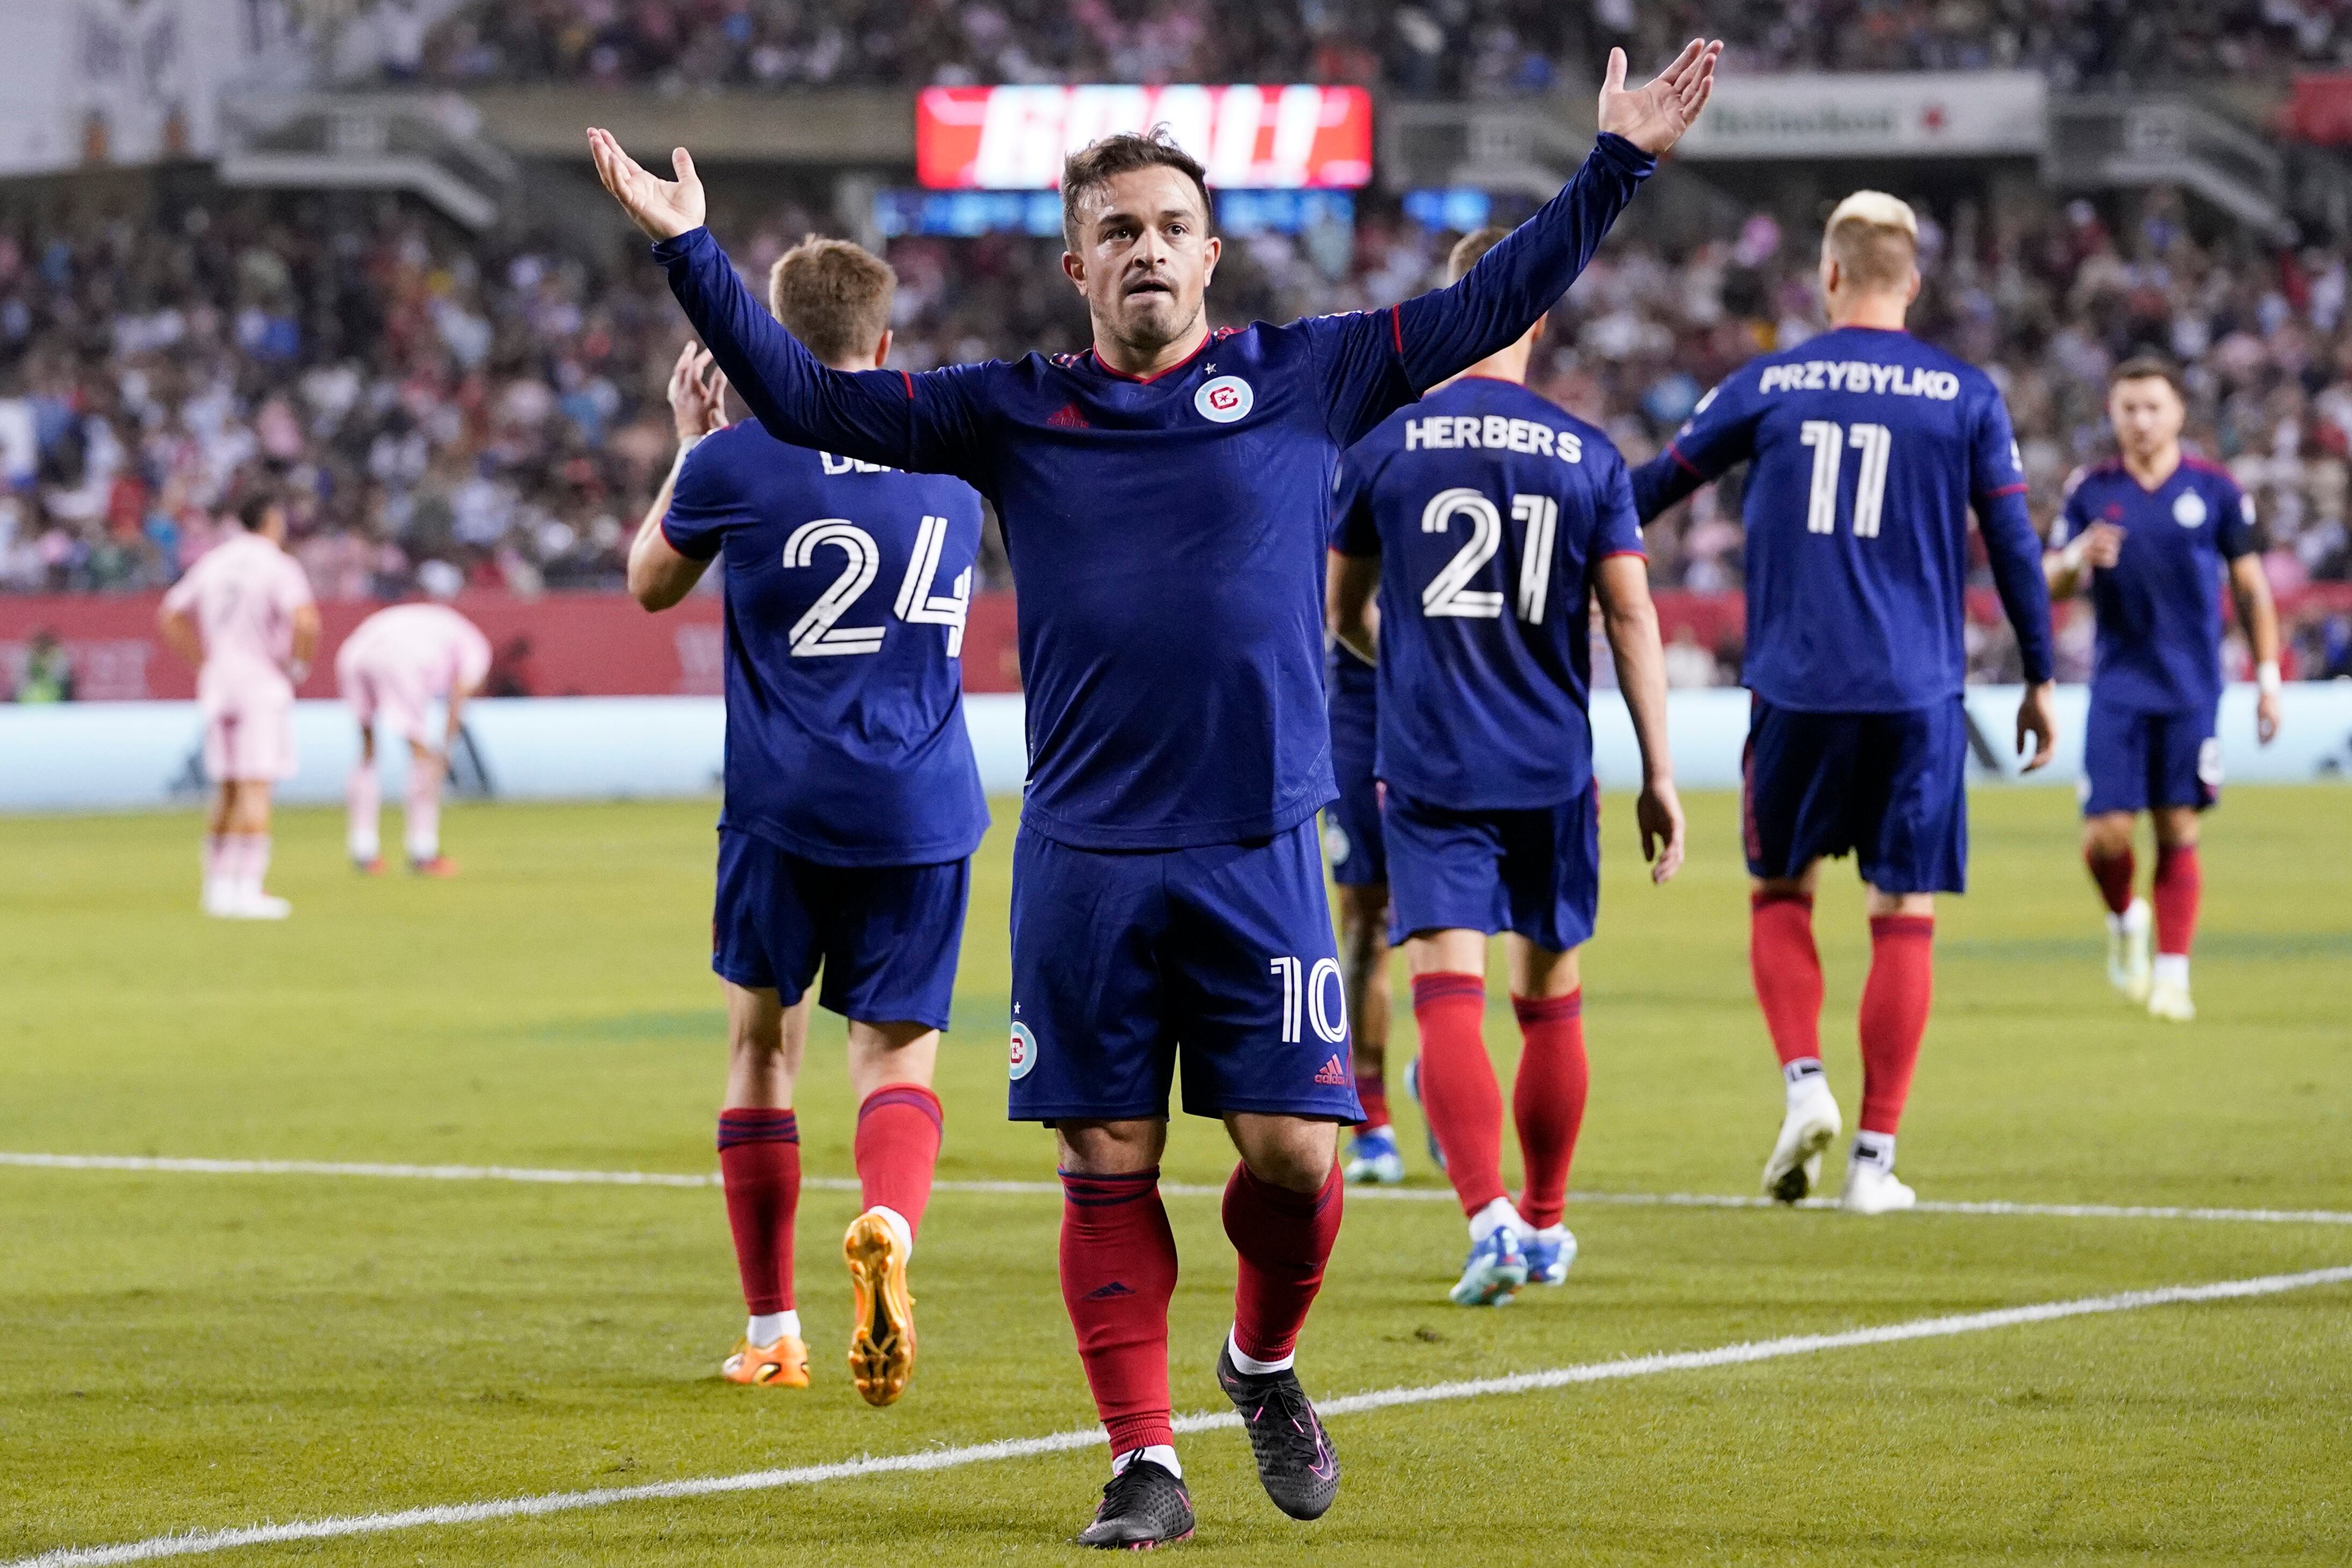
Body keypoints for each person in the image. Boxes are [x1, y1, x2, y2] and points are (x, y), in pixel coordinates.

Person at [588, 38, 1718, 1546]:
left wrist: (1616, 163)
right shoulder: (1007, 408)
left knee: (1295, 1155)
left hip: (1258, 843)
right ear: (1076, 264)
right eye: (1117, 229)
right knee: (1103, 1156)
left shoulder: (1308, 374)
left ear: (1211, 254)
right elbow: (800, 394)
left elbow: (1490, 299)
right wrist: (690, 250)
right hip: (1085, 853)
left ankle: (1259, 1361)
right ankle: (1140, 1458)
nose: (1146, 249)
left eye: (1172, 226)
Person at [1630, 190, 2057, 1216]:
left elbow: (1647, 490)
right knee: (1901, 910)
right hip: (1917, 691)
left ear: (1827, 275)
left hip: (1796, 684)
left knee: (1780, 892)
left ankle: (1802, 1083)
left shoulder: (1769, 382)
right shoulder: (1963, 394)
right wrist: (2040, 674)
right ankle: (1872, 1161)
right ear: (1912, 282)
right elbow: (2012, 545)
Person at [625, 239, 988, 1411]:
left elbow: (648, 583)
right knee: (894, 1056)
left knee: (761, 1051)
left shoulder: (738, 458)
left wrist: (691, 447)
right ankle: (888, 1225)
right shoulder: (951, 461)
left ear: (774, 344)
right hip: (922, 805)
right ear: (884, 341)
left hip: (782, 805)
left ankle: (773, 1330)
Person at [1328, 226, 1685, 1306]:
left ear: (1452, 313)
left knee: (1446, 984)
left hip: (1431, 758)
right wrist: (1658, 772)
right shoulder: (1588, 455)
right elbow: (1631, 618)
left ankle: (1484, 1216)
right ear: (1537, 318)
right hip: (1549, 762)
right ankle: (1544, 1218)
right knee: (1549, 993)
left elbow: (1340, 611)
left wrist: (1412, 662)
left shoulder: (1384, 444)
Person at [2046, 357, 2282, 1023]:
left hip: (2191, 686)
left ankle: (2174, 975)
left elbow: (2252, 589)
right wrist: (2076, 557)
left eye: (2154, 407)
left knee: (2178, 822)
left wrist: (2268, 680)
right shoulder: (2091, 490)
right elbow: (2049, 580)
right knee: (2108, 834)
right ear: (2113, 414)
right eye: (2129, 408)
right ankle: (2126, 918)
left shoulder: (2215, 490)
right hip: (2118, 685)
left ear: (2179, 413)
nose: (2142, 420)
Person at [157, 493, 319, 919]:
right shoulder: (279, 565)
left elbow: (170, 614)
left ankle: (217, 888)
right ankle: (249, 888)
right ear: (271, 521)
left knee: (227, 789)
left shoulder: (215, 561)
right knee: (256, 785)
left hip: (218, 682)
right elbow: (306, 621)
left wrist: (202, 661)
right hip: (260, 682)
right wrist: (298, 665)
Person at [1322, 633, 1404, 1186]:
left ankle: (1444, 1071)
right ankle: (1372, 1122)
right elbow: (1340, 610)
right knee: (1364, 923)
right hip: (1359, 715)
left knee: (1453, 918)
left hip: (1448, 708)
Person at [336, 596, 492, 875]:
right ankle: (423, 851)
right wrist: (445, 752)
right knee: (422, 757)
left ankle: (363, 850)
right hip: (399, 660)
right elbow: (459, 696)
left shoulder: (443, 624)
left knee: (368, 750)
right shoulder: (478, 650)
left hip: (354, 652)